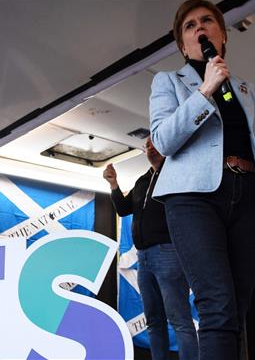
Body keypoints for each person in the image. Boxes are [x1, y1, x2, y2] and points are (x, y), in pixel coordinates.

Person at [149, 0, 255, 359]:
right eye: (190, 26)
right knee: (216, 305)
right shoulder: (168, 81)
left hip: (246, 196)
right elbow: (164, 140)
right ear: (184, 44)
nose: (200, 28)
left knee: (237, 308)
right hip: (194, 199)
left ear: (222, 35)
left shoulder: (246, 89)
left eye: (207, 21)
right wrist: (205, 90)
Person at [103, 137, 198, 360]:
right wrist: (114, 184)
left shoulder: (177, 175)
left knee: (179, 319)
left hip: (168, 253)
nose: (150, 150)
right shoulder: (142, 181)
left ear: (167, 147)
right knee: (154, 321)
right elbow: (124, 209)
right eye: (147, 147)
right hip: (143, 257)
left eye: (155, 146)